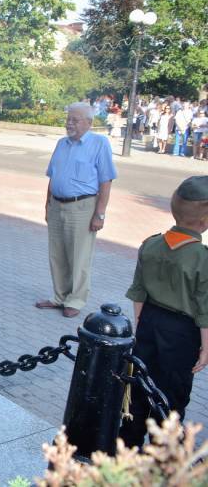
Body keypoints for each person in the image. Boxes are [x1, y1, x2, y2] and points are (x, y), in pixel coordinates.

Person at [119, 176, 208, 448]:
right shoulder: (202, 257)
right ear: (204, 221)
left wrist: (141, 324)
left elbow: (138, 291)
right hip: (182, 335)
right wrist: (206, 348)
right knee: (172, 394)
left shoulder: (151, 244)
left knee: (138, 386)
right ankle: (162, 451)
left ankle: (128, 444)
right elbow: (204, 309)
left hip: (148, 321)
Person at [35, 102, 117, 318]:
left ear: (89, 122)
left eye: (75, 120)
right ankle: (59, 296)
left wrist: (100, 214)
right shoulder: (62, 144)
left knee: (79, 256)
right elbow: (53, 176)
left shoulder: (99, 144)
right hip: (57, 205)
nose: (69, 123)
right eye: (68, 119)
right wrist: (47, 204)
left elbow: (106, 181)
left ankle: (76, 300)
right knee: (57, 254)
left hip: (82, 207)